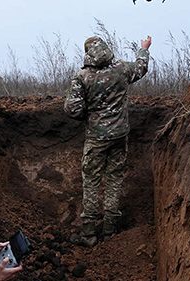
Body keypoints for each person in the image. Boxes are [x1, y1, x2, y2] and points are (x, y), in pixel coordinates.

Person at [64, 35, 152, 246]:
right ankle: (110, 230)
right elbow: (141, 68)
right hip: (120, 135)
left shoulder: (83, 77)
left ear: (87, 52)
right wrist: (144, 48)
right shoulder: (121, 69)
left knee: (92, 183)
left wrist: (89, 113)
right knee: (114, 180)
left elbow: (72, 109)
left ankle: (88, 235)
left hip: (96, 138)